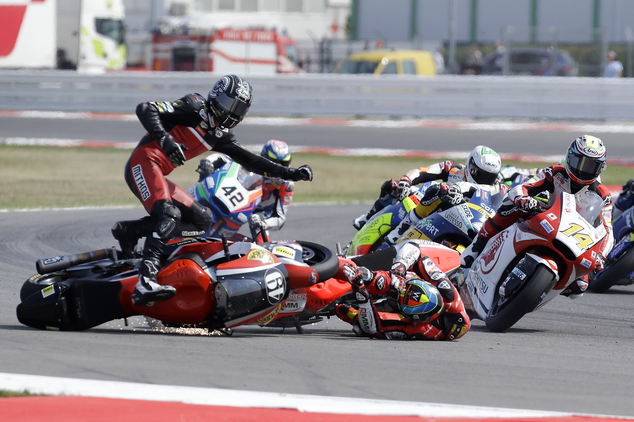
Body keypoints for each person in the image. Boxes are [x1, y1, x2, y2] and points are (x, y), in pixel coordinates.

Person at [111, 74, 313, 306]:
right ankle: (145, 280)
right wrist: (165, 140)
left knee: (202, 220)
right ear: (216, 96)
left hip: (158, 173)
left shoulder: (221, 136)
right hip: (143, 163)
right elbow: (145, 109)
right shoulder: (195, 106)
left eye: (239, 109)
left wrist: (291, 173)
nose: (233, 113)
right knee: (169, 215)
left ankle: (130, 231)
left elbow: (253, 161)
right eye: (230, 105)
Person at [461, 135, 614, 299]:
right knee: (510, 206)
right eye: (580, 162)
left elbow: (607, 230)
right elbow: (526, 186)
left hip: (574, 238)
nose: (583, 170)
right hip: (545, 217)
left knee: (580, 287)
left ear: (600, 168)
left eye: (591, 166)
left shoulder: (603, 196)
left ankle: (538, 288)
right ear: (570, 157)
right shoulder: (555, 172)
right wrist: (522, 198)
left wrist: (601, 256)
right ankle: (477, 245)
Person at [335, 240, 470, 340]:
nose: (399, 294)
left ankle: (349, 302)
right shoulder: (447, 292)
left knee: (355, 321)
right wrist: (400, 268)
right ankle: (355, 270)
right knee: (378, 281)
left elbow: (374, 329)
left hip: (396, 317)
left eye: (401, 299)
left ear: (415, 319)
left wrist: (362, 294)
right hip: (408, 278)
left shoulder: (424, 330)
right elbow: (414, 247)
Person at [353, 145, 503, 231]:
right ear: (470, 166)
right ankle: (367, 218)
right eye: (481, 175)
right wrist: (406, 181)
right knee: (392, 188)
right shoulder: (453, 169)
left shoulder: (495, 186)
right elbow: (423, 171)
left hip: (461, 224)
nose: (485, 180)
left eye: (489, 177)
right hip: (428, 206)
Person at [198, 139, 297, 243]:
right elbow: (225, 158)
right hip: (236, 198)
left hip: (260, 213)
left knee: (263, 245)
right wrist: (208, 162)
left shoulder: (287, 185)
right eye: (274, 163)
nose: (277, 168)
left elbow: (280, 219)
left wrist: (264, 223)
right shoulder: (253, 163)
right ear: (264, 158)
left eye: (283, 164)